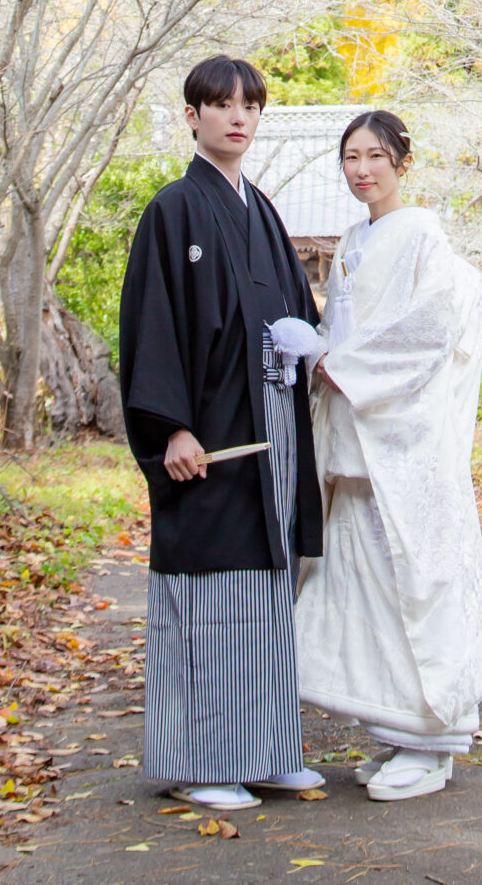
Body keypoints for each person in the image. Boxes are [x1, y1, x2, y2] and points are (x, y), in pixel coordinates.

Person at [118, 55, 326, 813]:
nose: (239, 117)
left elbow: (296, 311)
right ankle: (199, 759)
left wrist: (305, 345)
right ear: (193, 116)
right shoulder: (173, 210)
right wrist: (170, 427)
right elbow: (152, 326)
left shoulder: (261, 209)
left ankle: (267, 750)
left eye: (250, 106)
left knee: (267, 588)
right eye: (222, 105)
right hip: (208, 431)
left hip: (271, 424)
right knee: (208, 591)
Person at [295, 110, 482, 801]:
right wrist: (321, 351)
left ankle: (434, 742)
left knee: (412, 584)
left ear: (401, 164)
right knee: (364, 593)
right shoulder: (354, 238)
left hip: (402, 442)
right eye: (350, 157)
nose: (362, 170)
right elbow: (345, 325)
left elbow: (430, 327)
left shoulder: (422, 235)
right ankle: (399, 731)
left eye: (375, 157)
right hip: (357, 439)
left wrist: (339, 364)